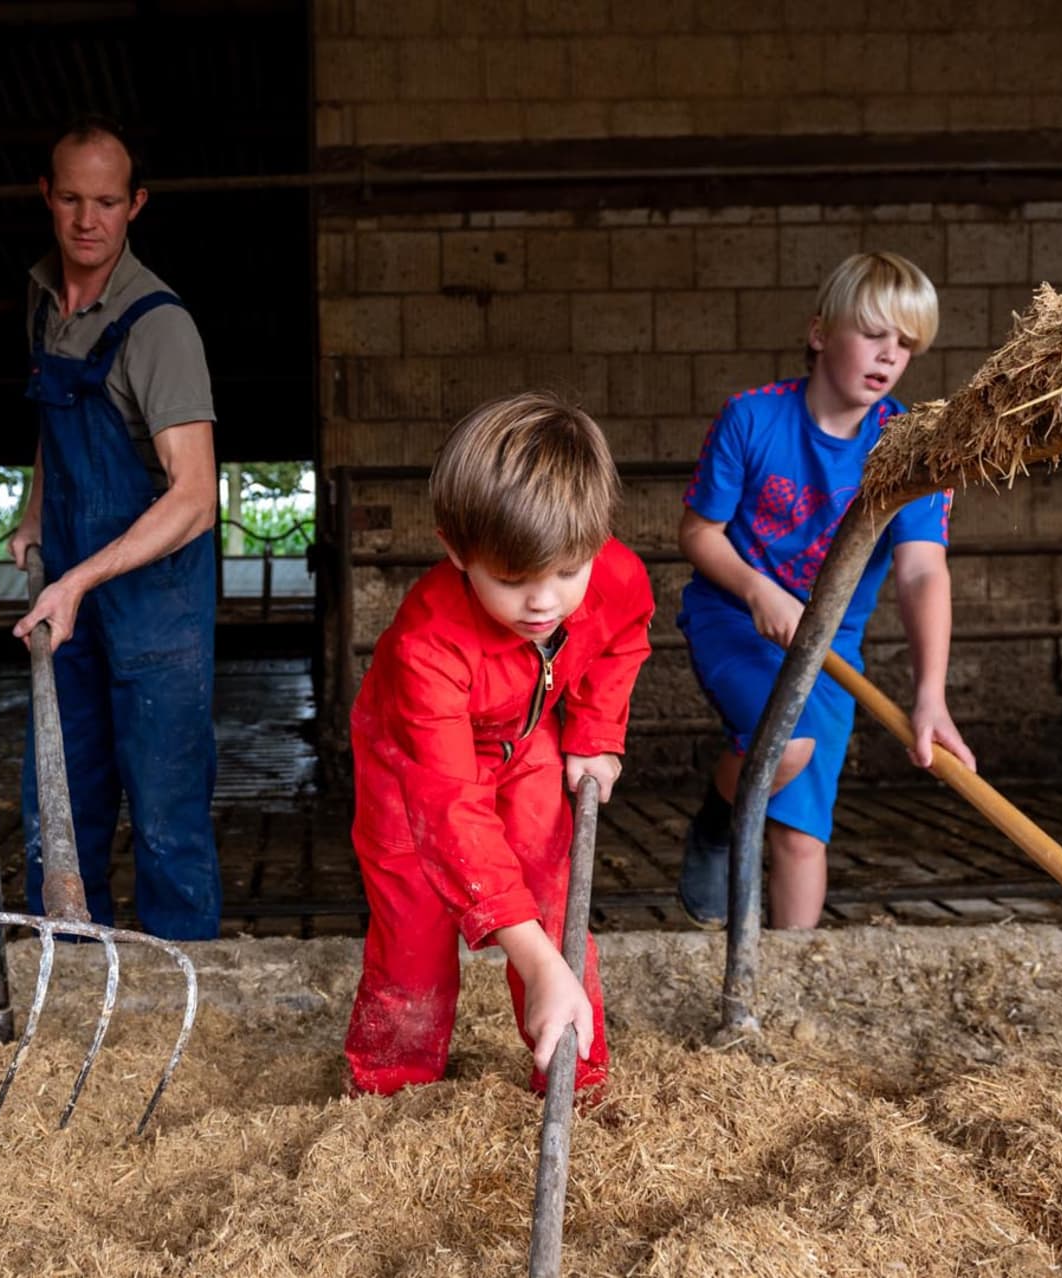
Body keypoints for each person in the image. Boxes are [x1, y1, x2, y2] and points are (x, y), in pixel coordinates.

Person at [345, 392, 654, 1098]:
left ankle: (577, 1074)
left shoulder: (610, 574)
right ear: (457, 550)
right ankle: (388, 1086)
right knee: (414, 932)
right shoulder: (429, 644)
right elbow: (450, 806)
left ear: (596, 539)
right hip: (414, 773)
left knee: (551, 893)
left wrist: (597, 736)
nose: (545, 603)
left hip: (526, 740)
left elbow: (623, 638)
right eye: (513, 581)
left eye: (567, 574)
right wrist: (534, 960)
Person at [674, 250, 976, 932]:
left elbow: (923, 570)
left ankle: (790, 987)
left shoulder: (908, 445)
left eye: (905, 344)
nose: (888, 356)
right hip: (735, 619)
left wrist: (931, 694)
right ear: (819, 334)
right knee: (791, 745)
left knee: (803, 836)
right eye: (874, 334)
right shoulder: (752, 418)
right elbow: (698, 533)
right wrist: (757, 591)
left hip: (830, 649)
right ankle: (719, 827)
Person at [7, 116, 222, 941]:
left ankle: (182, 977)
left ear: (136, 205)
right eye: (69, 198)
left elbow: (195, 496)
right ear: (46, 196)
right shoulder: (42, 301)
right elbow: (52, 419)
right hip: (72, 601)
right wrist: (35, 513)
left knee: (166, 815)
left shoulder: (160, 326)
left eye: (105, 201)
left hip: (155, 613)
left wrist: (79, 577)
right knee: (61, 792)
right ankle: (66, 962)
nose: (86, 220)